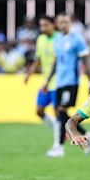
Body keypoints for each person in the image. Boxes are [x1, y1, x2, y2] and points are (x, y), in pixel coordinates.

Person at [44, 12, 90, 157]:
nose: (63, 25)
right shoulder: (57, 40)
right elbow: (56, 62)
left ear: (70, 24)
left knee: (61, 111)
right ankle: (88, 135)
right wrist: (47, 82)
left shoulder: (77, 39)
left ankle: (59, 147)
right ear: (57, 24)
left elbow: (86, 61)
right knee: (61, 112)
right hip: (59, 82)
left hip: (72, 81)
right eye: (60, 22)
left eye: (66, 22)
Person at [24, 15, 60, 155]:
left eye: (45, 25)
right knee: (39, 111)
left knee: (57, 113)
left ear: (53, 25)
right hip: (46, 82)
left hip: (58, 81)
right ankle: (61, 130)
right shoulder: (41, 39)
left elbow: (58, 62)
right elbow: (38, 59)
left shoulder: (59, 38)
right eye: (41, 25)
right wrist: (29, 74)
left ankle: (57, 146)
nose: (42, 28)